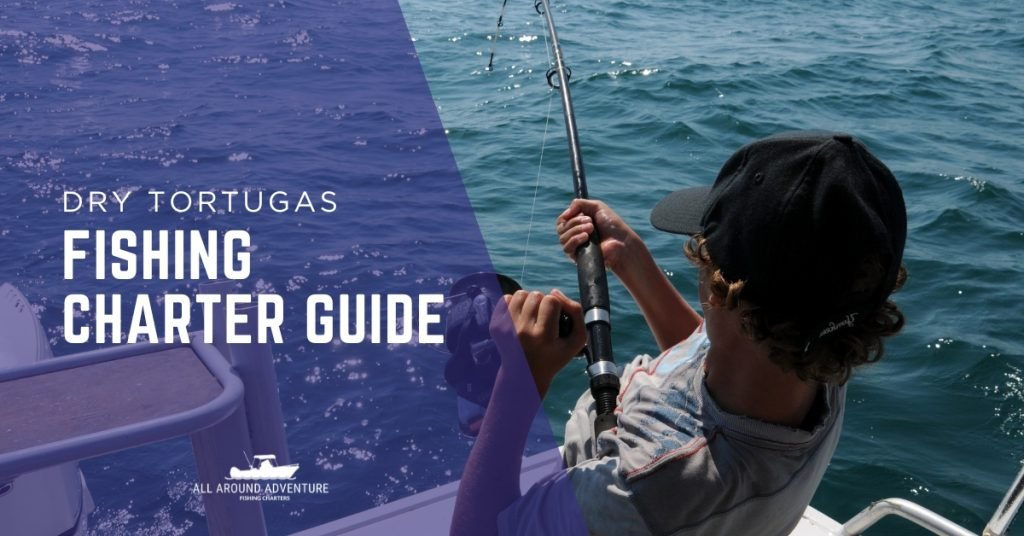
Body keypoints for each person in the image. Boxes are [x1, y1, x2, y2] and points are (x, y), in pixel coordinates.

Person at [451, 131, 908, 535]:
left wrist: (520, 383)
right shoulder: (820, 352)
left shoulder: (643, 493)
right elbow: (716, 354)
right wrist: (629, 258)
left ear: (723, 292)